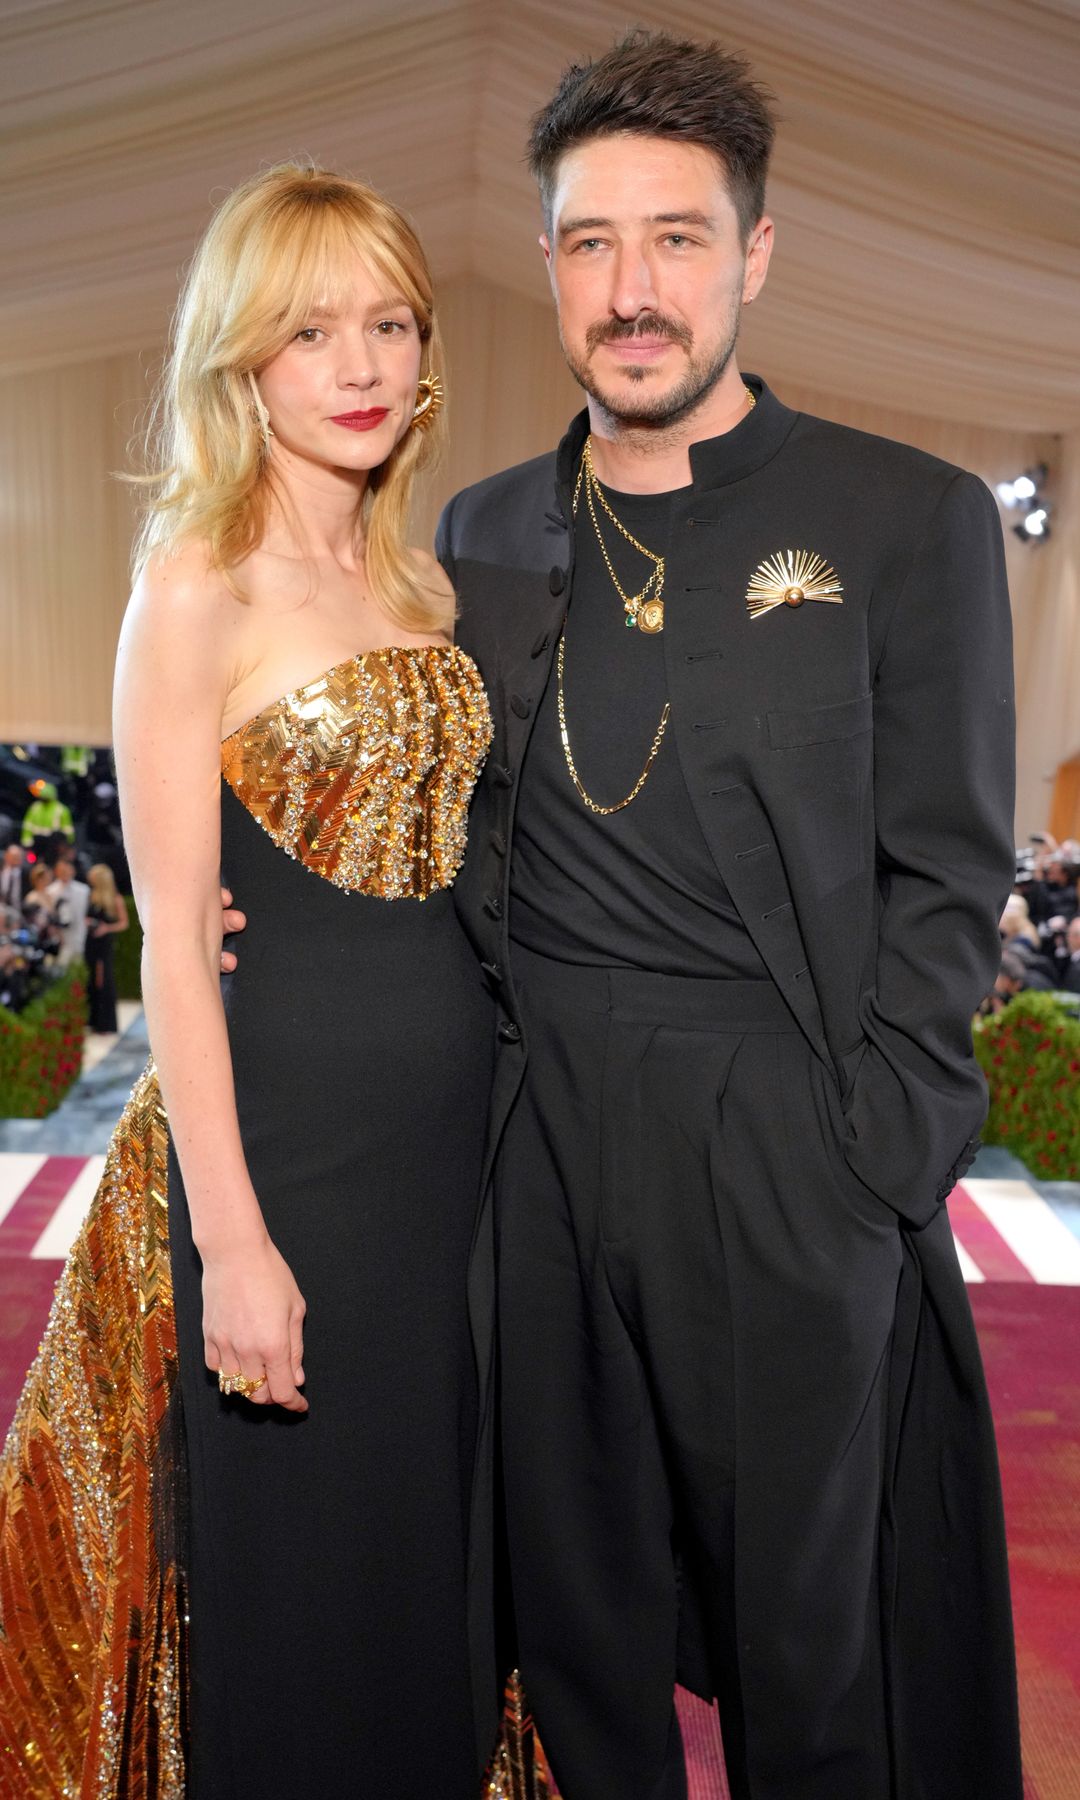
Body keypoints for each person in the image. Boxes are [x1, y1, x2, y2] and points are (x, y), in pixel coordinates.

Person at [435, 32, 1021, 1800]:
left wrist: (877, 1157)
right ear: (549, 265)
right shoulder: (479, 531)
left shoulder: (906, 519)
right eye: (593, 243)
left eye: (678, 239)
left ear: (755, 256)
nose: (634, 290)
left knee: (807, 1641)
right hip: (537, 1133)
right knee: (576, 1619)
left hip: (787, 1138)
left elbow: (953, 860)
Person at [0, 164, 497, 1799]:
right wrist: (232, 1245)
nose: (358, 365)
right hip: (285, 1166)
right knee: (301, 1603)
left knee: (438, 1577)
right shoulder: (191, 583)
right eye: (309, 331)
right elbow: (183, 966)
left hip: (453, 1173)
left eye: (390, 323)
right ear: (241, 359)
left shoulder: (431, 590)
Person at [84, 861, 130, 1032]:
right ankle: (94, 1020)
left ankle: (105, 1023)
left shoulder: (115, 899)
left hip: (104, 943)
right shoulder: (92, 896)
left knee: (103, 979)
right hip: (91, 942)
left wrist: (106, 928)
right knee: (92, 980)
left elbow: (124, 923)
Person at [46, 850, 90, 969]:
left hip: (78, 937)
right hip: (59, 939)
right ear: (56, 872)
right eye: (61, 870)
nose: (64, 873)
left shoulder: (84, 890)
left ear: (73, 870)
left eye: (67, 869)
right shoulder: (50, 891)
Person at [0, 842, 27, 911]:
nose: (15, 860)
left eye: (18, 857)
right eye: (13, 857)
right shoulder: (2, 872)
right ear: (6, 856)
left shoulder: (26, 874)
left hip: (19, 910)